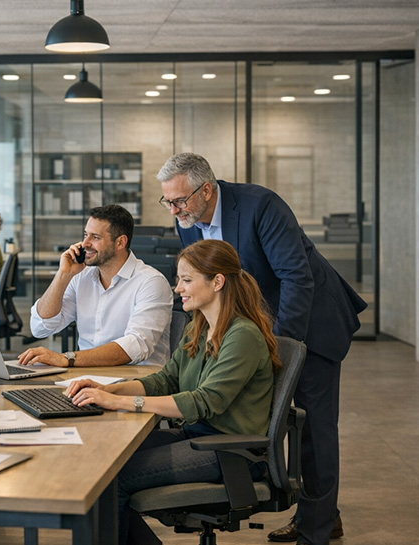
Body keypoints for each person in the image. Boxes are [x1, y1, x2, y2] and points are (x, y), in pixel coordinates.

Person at [158, 152, 367, 545]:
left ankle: (314, 530)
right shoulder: (188, 222)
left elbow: (296, 278)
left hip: (310, 325)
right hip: (257, 328)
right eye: (167, 201)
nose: (173, 210)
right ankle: (324, 515)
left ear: (206, 190)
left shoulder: (260, 206)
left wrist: (279, 351)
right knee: (272, 418)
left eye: (179, 201)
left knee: (313, 430)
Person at [67, 239, 280, 545]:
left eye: (187, 280)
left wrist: (120, 401)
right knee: (100, 466)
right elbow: (166, 380)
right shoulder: (199, 328)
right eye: (179, 279)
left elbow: (205, 402)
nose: (178, 288)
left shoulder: (242, 335)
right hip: (196, 437)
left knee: (112, 482)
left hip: (230, 451)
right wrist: (107, 389)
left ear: (217, 282)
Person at [19, 204, 172, 368]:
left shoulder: (151, 282)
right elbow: (40, 328)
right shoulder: (81, 277)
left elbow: (136, 346)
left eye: (95, 237)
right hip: (85, 376)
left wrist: (67, 358)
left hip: (135, 382)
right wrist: (63, 275)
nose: (85, 243)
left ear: (120, 242)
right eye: (85, 235)